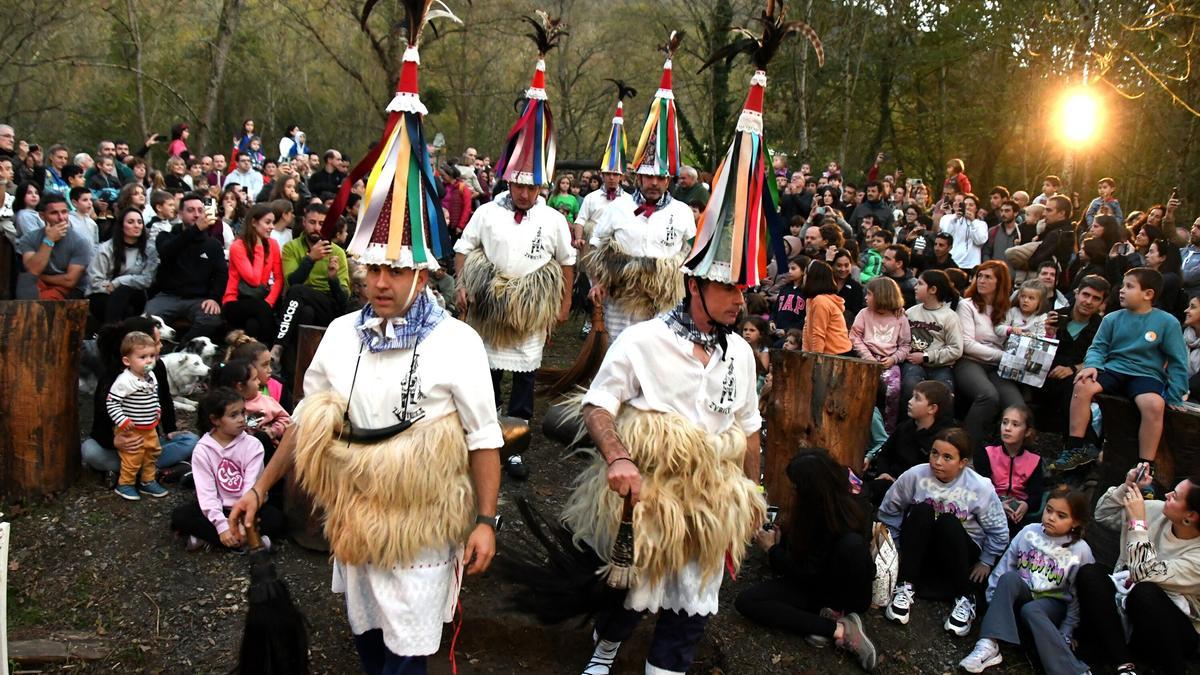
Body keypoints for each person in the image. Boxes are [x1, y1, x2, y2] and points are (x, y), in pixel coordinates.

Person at [228, 15, 501, 669]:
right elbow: (306, 421)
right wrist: (260, 488)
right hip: (356, 519)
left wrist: (486, 520)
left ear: (423, 272)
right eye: (372, 267)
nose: (379, 281)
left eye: (395, 270)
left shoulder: (458, 343)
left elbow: (483, 436)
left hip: (422, 527)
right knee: (369, 644)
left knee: (406, 656)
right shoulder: (341, 335)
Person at [454, 43, 575, 481]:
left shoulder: (554, 219)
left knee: (523, 381)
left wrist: (563, 304)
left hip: (529, 313)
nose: (524, 193)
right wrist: (463, 284)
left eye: (532, 186)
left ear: (541, 185)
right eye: (519, 185)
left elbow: (567, 261)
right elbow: (464, 247)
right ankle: (485, 439)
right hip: (489, 309)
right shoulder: (487, 213)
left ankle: (516, 447)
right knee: (486, 377)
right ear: (509, 180)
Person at [735, 451, 878, 671]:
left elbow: (807, 573)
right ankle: (832, 625)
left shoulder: (838, 516)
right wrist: (784, 542)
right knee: (746, 601)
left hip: (841, 592)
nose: (792, 492)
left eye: (796, 487)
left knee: (754, 601)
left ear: (811, 491)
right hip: (820, 577)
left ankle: (836, 624)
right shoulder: (833, 496)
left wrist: (772, 550)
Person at [1049, 268, 1189, 491]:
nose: (1121, 291)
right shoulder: (1112, 318)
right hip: (1114, 369)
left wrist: (1175, 394)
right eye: (1123, 285)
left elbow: (1178, 360)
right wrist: (1092, 365)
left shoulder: (1167, 322)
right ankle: (1076, 448)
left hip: (1146, 374)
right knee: (1082, 385)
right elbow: (1098, 347)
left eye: (1129, 286)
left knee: (1154, 405)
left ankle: (1145, 467)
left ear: (1148, 294)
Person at [880, 427, 1009, 636]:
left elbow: (999, 530)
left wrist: (987, 560)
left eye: (947, 457)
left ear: (962, 462)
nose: (937, 461)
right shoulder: (915, 475)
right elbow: (889, 509)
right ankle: (905, 585)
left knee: (947, 521)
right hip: (921, 546)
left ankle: (965, 597)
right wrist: (895, 545)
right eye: (934, 453)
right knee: (922, 511)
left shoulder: (980, 487)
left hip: (959, 550)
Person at [1075, 465, 1200, 675]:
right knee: (1090, 574)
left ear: (1190, 517)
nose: (1167, 495)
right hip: (1127, 608)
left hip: (1170, 631)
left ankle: (1170, 668)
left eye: (1175, 496)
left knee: (1145, 592)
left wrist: (1138, 525)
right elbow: (1104, 515)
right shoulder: (1156, 510)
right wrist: (1127, 487)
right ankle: (1124, 664)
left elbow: (1144, 574)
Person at [959, 486, 1094, 674]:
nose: (1051, 517)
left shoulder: (1081, 550)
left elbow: (1079, 596)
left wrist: (1067, 631)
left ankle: (1071, 670)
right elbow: (1006, 566)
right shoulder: (1029, 532)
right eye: (1048, 510)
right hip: (1024, 595)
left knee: (1031, 609)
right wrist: (994, 603)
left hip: (1052, 606)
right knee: (1009, 578)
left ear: (1076, 522)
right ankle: (988, 644)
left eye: (1061, 516)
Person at [586, 158, 695, 341]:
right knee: (618, 348)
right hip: (620, 298)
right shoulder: (617, 207)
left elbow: (692, 251)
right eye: (649, 177)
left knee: (660, 349)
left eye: (660, 178)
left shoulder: (682, 211)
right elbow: (596, 245)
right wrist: (597, 283)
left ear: (668, 180)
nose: (654, 183)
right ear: (638, 178)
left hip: (664, 300)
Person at [82, 317, 198, 484]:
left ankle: (133, 469)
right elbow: (100, 422)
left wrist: (170, 429)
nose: (161, 346)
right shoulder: (113, 376)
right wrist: (115, 441)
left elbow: (165, 399)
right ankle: (144, 469)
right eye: (157, 343)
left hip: (148, 440)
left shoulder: (157, 367)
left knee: (190, 440)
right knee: (90, 451)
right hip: (124, 443)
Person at [170, 387, 284, 552]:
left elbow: (251, 486)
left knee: (277, 519)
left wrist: (244, 521)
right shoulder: (203, 450)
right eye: (233, 415)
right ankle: (250, 540)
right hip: (221, 508)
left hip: (250, 507)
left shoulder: (253, 445)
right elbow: (207, 493)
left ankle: (213, 539)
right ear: (215, 420)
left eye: (243, 412)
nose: (242, 419)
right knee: (180, 516)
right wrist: (222, 526)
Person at [954, 260, 1022, 447]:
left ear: (999, 282)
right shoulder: (967, 305)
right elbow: (967, 345)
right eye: (980, 276)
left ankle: (1004, 453)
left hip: (997, 367)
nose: (981, 280)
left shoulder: (1008, 309)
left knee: (1017, 407)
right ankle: (964, 448)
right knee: (988, 396)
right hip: (970, 361)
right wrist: (1003, 356)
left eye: (988, 277)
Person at [274, 203, 349, 371]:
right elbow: (292, 281)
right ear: (304, 222)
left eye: (321, 224)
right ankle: (295, 374)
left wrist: (333, 279)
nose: (316, 228)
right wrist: (310, 259)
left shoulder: (337, 252)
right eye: (312, 222)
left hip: (328, 306)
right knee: (305, 312)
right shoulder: (291, 247)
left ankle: (278, 345)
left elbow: (344, 299)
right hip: (298, 305)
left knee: (297, 291)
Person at [145, 192, 228, 341]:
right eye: (190, 210)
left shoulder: (213, 244)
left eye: (200, 210)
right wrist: (195, 229)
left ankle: (183, 348)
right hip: (168, 296)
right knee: (147, 319)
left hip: (199, 299)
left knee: (211, 319)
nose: (196, 215)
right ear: (180, 214)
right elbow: (167, 251)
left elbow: (221, 274)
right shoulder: (166, 236)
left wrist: (214, 298)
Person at [1033, 276, 1109, 434]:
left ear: (1102, 303)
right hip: (1045, 373)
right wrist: (1047, 334)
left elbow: (1104, 358)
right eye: (1085, 295)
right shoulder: (1055, 316)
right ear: (1076, 293)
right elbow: (1034, 353)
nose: (1088, 301)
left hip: (1075, 378)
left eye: (1096, 298)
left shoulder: (1103, 327)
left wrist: (1072, 369)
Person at [865, 380, 955, 502]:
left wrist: (901, 484)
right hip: (889, 481)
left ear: (932, 408)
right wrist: (883, 473)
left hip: (920, 493)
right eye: (912, 396)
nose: (910, 401)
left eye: (917, 398)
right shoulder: (904, 427)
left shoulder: (943, 439)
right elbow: (885, 454)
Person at [106, 331, 169, 501]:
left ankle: (147, 481)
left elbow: (154, 396)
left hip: (149, 427)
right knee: (132, 457)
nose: (149, 361)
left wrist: (157, 409)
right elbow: (112, 403)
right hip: (131, 429)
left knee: (152, 454)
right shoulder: (124, 381)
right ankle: (125, 484)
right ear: (127, 361)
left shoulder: (151, 376)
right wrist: (122, 420)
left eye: (152, 356)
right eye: (142, 357)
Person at [973, 405, 1045, 537]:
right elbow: (980, 488)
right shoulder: (987, 453)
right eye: (1005, 422)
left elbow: (1036, 493)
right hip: (990, 505)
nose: (1007, 428)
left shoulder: (1034, 460)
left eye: (1015, 424)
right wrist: (998, 503)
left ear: (1027, 431)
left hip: (1017, 512)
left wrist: (1026, 505)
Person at [851, 276, 911, 431]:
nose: (865, 297)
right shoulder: (864, 313)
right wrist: (868, 357)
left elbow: (905, 345)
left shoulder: (900, 317)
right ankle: (857, 425)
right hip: (865, 359)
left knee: (893, 390)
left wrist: (893, 359)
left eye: (869, 294)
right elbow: (854, 337)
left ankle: (887, 430)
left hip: (888, 362)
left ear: (881, 296)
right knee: (860, 388)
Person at [900, 269, 964, 407]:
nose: (915, 287)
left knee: (944, 394)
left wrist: (926, 356)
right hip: (913, 364)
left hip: (940, 367)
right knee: (910, 386)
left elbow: (956, 349)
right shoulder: (910, 312)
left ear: (933, 289)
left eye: (920, 283)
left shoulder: (950, 317)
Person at [222, 203, 283, 344]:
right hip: (235, 301)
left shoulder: (273, 244)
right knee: (260, 309)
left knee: (253, 325)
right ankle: (272, 350)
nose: (272, 227)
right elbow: (254, 280)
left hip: (260, 301)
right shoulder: (237, 246)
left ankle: (258, 354)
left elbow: (279, 278)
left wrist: (269, 302)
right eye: (267, 222)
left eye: (273, 222)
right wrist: (258, 248)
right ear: (254, 223)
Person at [87, 207, 158, 324]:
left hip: (135, 295)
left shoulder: (150, 249)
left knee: (125, 290)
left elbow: (147, 279)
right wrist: (113, 289)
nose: (136, 225)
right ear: (121, 226)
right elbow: (95, 281)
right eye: (130, 222)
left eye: (139, 222)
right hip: (102, 294)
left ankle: (111, 328)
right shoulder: (106, 248)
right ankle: (113, 328)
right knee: (124, 306)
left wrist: (118, 282)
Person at [16, 192, 92, 300]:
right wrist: (49, 240)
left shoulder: (80, 241)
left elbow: (70, 281)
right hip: (41, 284)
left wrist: (41, 277)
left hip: (70, 289)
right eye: (54, 213)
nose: (61, 218)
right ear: (42, 216)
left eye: (64, 212)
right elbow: (33, 270)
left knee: (45, 297)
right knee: (25, 283)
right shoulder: (29, 238)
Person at [802, 259, 852, 355]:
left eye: (805, 274)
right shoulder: (810, 300)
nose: (803, 277)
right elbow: (807, 328)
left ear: (813, 277)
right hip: (824, 354)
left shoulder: (820, 301)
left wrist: (815, 359)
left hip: (837, 354)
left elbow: (818, 333)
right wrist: (805, 354)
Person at [938, 193, 988, 270]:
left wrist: (972, 221)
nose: (967, 207)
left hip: (971, 265)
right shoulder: (951, 219)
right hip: (953, 263)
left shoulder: (981, 224)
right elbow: (946, 235)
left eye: (971, 205)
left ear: (976, 209)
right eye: (965, 205)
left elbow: (980, 241)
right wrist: (956, 217)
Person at [771, 256, 809, 336]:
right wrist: (771, 321)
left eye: (793, 269)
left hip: (794, 334)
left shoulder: (807, 292)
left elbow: (806, 318)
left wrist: (787, 330)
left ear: (803, 271)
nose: (789, 271)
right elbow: (775, 309)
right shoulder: (784, 288)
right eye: (789, 269)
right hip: (777, 330)